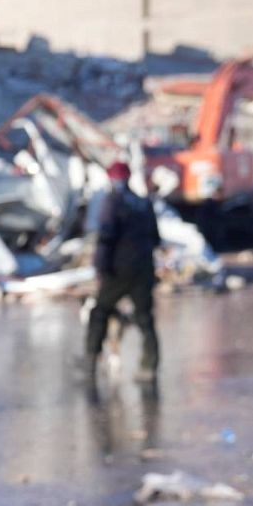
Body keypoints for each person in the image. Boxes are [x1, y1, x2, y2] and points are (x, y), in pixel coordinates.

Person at [86, 161, 162, 381]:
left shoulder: (112, 202)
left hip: (117, 270)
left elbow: (105, 237)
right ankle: (149, 366)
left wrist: (100, 267)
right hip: (143, 269)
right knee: (145, 318)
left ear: (111, 179)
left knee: (100, 312)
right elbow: (155, 238)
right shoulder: (143, 203)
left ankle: (91, 359)